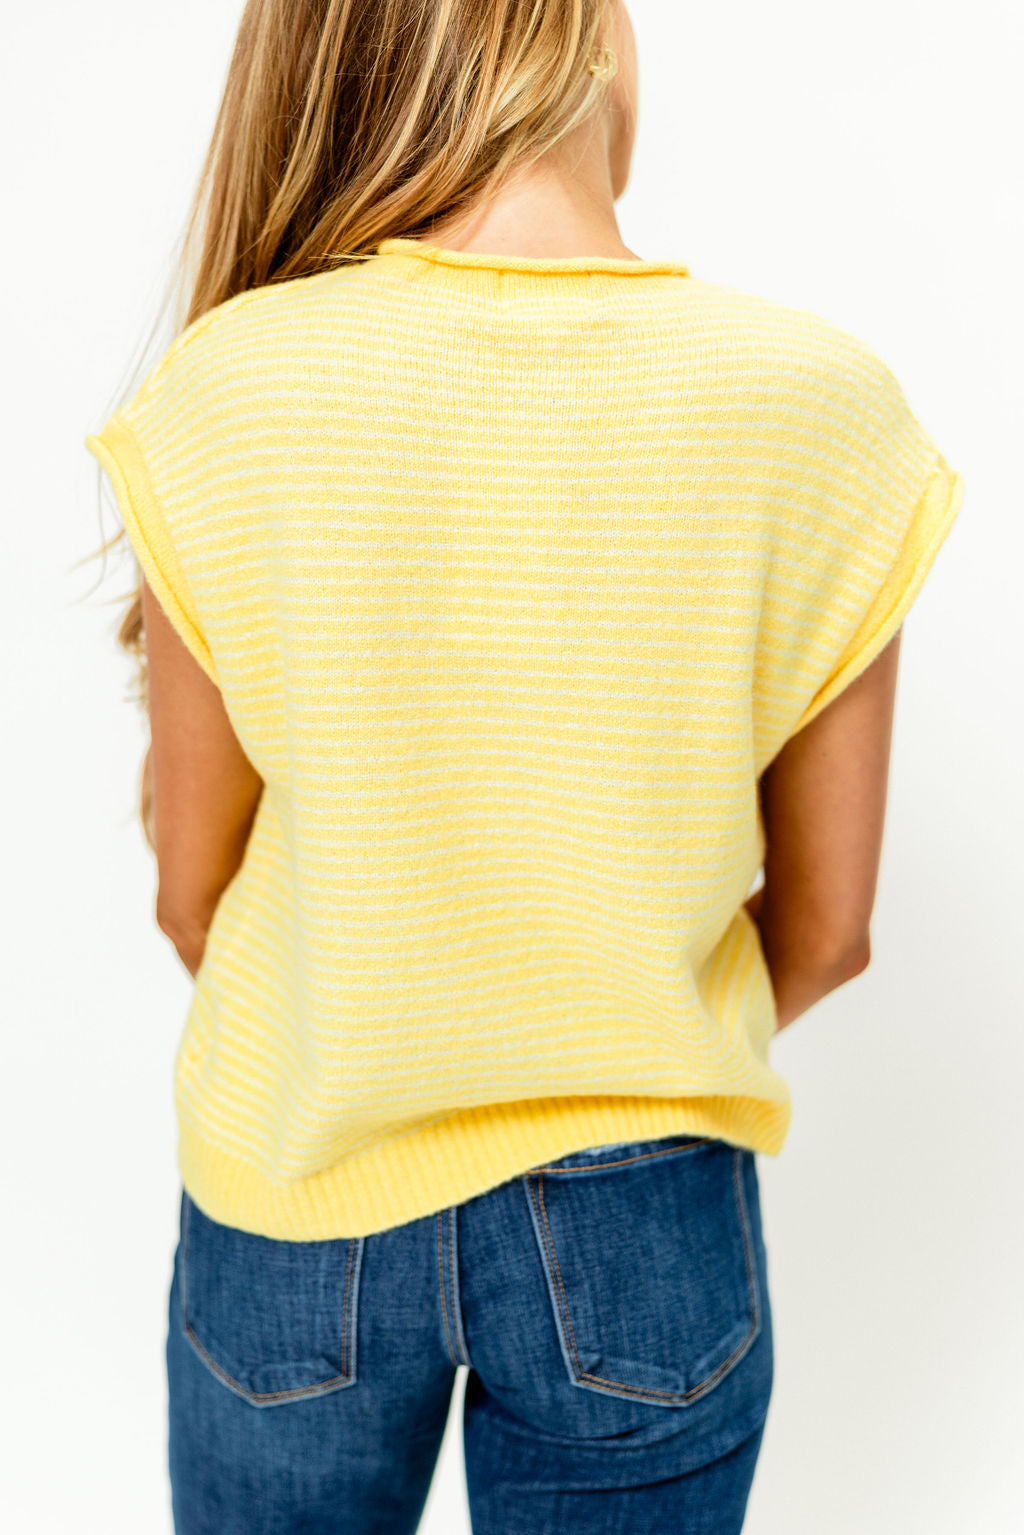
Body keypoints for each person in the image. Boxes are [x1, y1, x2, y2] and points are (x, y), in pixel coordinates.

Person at [84, 1, 965, 1530]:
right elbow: (828, 932)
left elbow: (190, 899)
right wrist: (603, 1021)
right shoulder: (814, 401)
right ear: (588, 40)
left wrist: (386, 1020)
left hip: (297, 1191)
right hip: (647, 1227)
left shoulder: (230, 388)